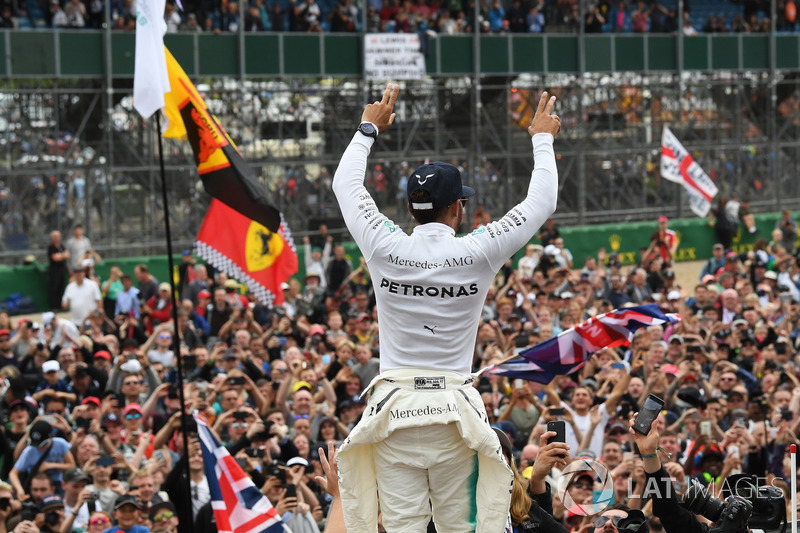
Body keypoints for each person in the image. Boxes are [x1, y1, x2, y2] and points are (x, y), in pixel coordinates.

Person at [331, 84, 561, 532]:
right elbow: (542, 203)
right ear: (458, 207)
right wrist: (542, 137)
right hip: (455, 419)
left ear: (413, 209)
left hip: (393, 416)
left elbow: (345, 184)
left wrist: (367, 129)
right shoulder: (479, 251)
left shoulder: (382, 244)